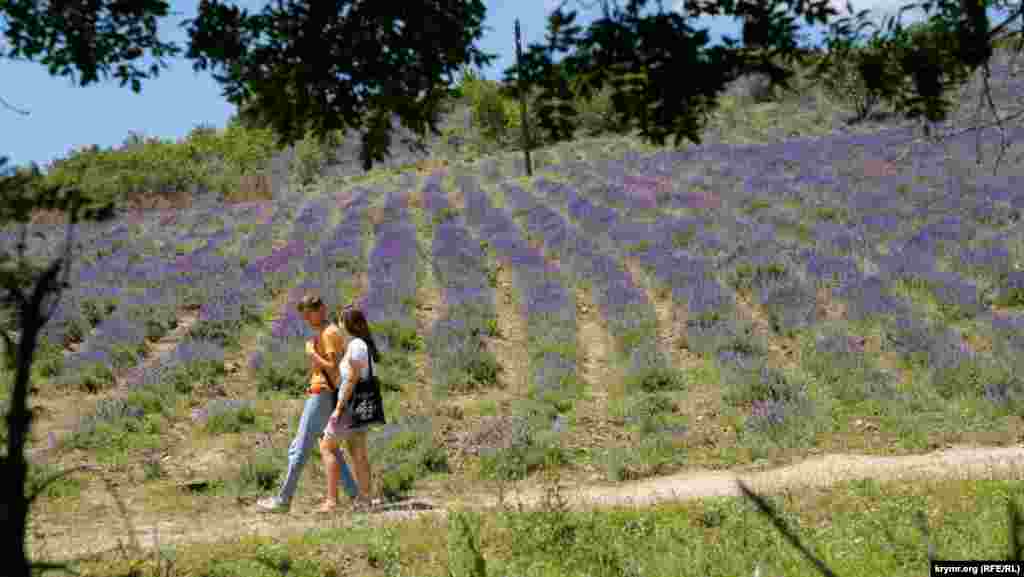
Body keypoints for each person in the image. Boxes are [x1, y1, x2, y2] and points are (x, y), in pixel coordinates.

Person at [256, 294, 360, 513]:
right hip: (326, 395)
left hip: (321, 395)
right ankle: (355, 496)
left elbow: (332, 367)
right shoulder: (326, 332)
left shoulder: (329, 333)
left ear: (319, 310)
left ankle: (283, 501)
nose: (306, 320)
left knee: (299, 448)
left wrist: (312, 353)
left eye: (307, 315)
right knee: (332, 449)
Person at [319, 304, 379, 512]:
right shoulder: (364, 345)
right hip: (363, 406)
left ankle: (332, 501)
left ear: (347, 324)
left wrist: (338, 407)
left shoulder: (355, 346)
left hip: (349, 406)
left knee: (327, 446)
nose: (338, 324)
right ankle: (365, 499)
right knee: (358, 452)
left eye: (340, 320)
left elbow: (352, 379)